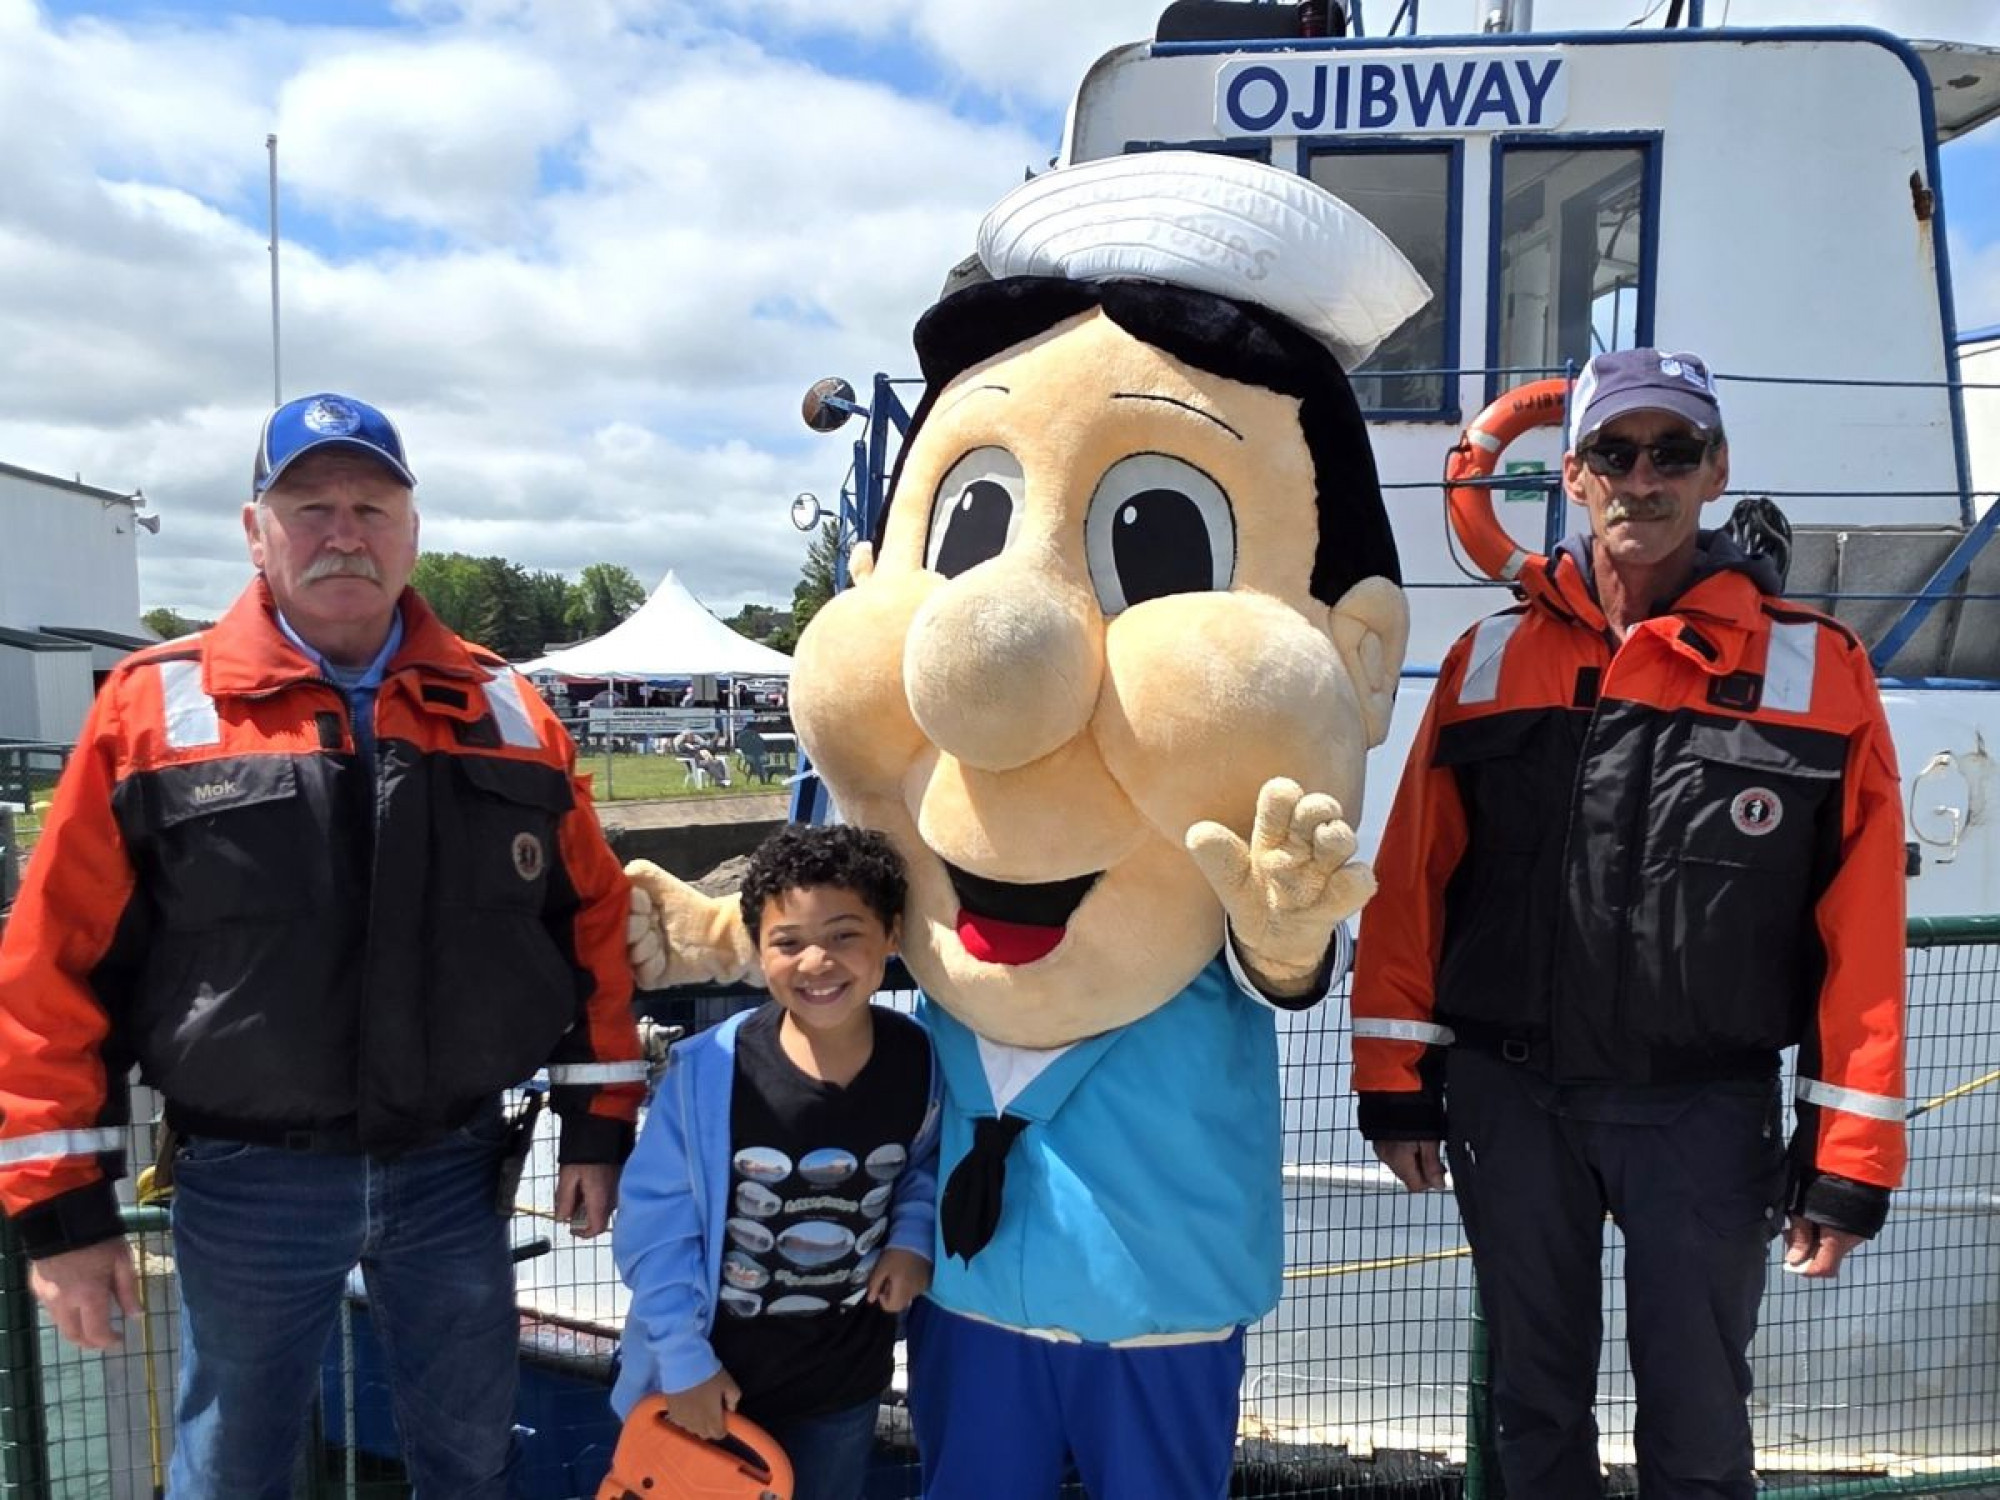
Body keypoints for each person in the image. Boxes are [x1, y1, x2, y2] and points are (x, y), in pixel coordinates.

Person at [0, 391, 646, 1495]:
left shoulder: (508, 709)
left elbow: (588, 931)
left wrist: (598, 1126)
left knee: (472, 1464)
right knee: (230, 1473)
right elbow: (54, 965)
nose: (344, 533)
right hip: (248, 1184)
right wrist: (63, 1214)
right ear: (256, 532)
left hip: (455, 1172)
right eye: (310, 509)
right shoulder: (151, 711)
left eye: (370, 508)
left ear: (411, 532)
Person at [1351, 348, 1908, 1499]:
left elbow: (1860, 933)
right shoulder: (1486, 658)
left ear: (1714, 470)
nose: (1640, 479)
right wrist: (1392, 1080)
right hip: (1510, 1107)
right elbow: (1410, 882)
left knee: (1697, 1432)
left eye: (1670, 451)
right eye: (1613, 451)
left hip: (1700, 1117)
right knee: (1532, 1412)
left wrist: (1848, 1156)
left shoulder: (1818, 671)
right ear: (1572, 475)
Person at [612, 823, 937, 1500]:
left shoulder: (920, 1061)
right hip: (712, 1385)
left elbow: (922, 1166)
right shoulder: (708, 1073)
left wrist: (911, 1238)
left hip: (843, 1387)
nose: (816, 962)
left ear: (892, 936)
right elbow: (655, 1229)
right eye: (788, 942)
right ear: (758, 949)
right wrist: (683, 1362)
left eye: (844, 935)